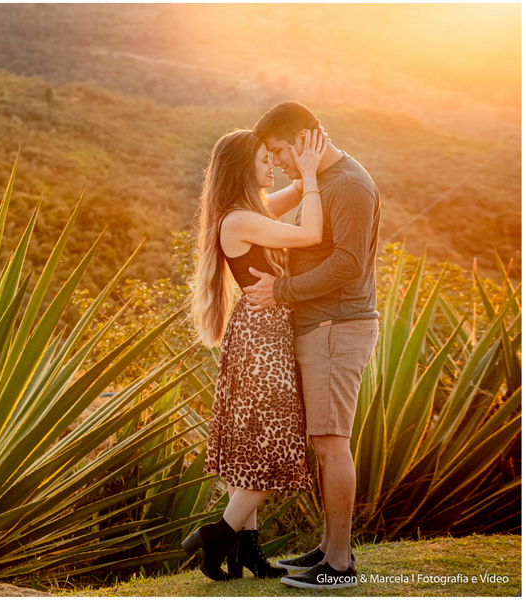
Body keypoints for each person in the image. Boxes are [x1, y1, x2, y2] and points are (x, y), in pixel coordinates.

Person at [244, 101, 381, 590]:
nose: (277, 161)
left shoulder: (349, 185)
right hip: (321, 327)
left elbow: (347, 264)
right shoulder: (324, 183)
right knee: (324, 442)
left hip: (336, 328)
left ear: (304, 138)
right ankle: (328, 548)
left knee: (330, 443)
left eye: (279, 150)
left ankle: (340, 565)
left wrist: (280, 291)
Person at [181, 127, 326, 582]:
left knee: (254, 446)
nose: (271, 167)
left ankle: (249, 553)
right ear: (246, 167)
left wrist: (307, 167)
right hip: (262, 341)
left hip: (261, 334)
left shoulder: (247, 212)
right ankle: (217, 536)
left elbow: (294, 191)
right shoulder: (240, 221)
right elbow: (311, 231)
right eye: (265, 159)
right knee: (271, 446)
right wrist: (312, 181)